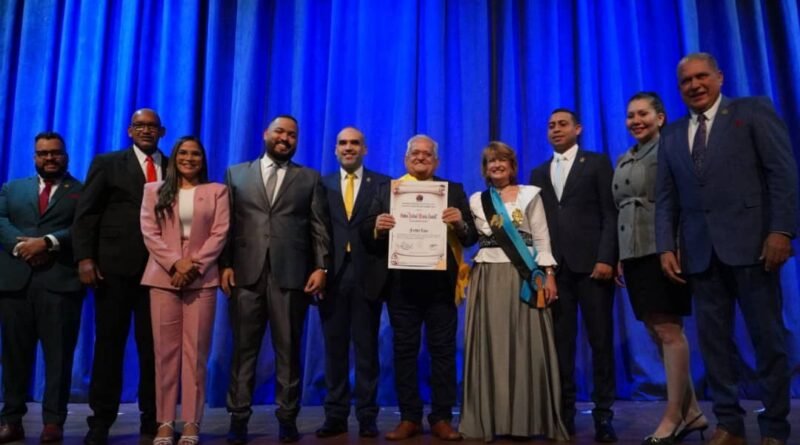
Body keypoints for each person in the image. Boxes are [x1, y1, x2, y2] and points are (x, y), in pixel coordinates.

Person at [656, 52, 797, 445]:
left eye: (702, 77)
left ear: (719, 77)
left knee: (767, 341)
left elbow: (782, 174)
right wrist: (666, 245)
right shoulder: (671, 134)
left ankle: (774, 429)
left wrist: (781, 231)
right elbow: (666, 197)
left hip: (754, 247)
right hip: (699, 254)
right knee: (714, 346)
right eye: (686, 81)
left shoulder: (753, 111)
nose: (695, 85)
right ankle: (729, 425)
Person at [220, 115, 330, 444]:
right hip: (245, 274)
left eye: (292, 134)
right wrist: (224, 264)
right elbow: (226, 226)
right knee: (243, 351)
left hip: (291, 276)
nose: (285, 138)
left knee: (289, 350)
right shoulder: (236, 173)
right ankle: (238, 418)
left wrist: (321, 267)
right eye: (280, 132)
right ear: (266, 133)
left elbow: (318, 227)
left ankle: (287, 418)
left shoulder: (309, 178)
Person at [363, 134, 477, 441]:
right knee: (404, 352)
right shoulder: (389, 190)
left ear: (437, 161)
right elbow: (366, 230)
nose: (421, 158)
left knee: (442, 353)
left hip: (441, 287)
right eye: (415, 153)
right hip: (401, 287)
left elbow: (470, 237)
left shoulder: (452, 191)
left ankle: (441, 417)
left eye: (427, 154)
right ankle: (409, 417)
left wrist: (459, 224)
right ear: (405, 159)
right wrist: (378, 226)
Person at [612, 92, 706, 444]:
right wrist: (622, 255)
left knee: (669, 330)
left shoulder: (671, 150)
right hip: (634, 253)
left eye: (643, 114)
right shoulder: (626, 156)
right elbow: (623, 210)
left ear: (661, 118)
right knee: (655, 331)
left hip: (663, 250)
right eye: (630, 115)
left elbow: (685, 202)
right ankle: (692, 412)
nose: (636, 120)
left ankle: (673, 416)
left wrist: (676, 246)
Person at [459, 141, 568, 442]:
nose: (496, 165)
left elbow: (542, 238)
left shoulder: (531, 195)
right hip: (488, 276)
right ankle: (491, 418)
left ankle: (526, 418)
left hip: (525, 278)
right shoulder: (477, 200)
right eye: (491, 161)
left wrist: (548, 275)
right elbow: (469, 237)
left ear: (512, 165)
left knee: (525, 345)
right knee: (491, 347)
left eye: (502, 160)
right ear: (485, 168)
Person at [73, 109, 167, 445]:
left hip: (160, 275)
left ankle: (153, 417)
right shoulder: (108, 163)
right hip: (113, 272)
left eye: (152, 126)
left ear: (162, 131)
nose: (146, 130)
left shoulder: (174, 166)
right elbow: (87, 213)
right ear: (129, 131)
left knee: (154, 350)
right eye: (139, 125)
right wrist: (85, 257)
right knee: (109, 347)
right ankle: (100, 420)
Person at [530, 109, 618, 442]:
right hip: (557, 271)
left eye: (562, 124)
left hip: (594, 268)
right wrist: (544, 267)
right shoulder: (538, 172)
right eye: (550, 125)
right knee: (560, 347)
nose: (555, 129)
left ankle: (603, 416)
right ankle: (563, 414)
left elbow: (610, 214)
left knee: (600, 343)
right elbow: (537, 226)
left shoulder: (596, 163)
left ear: (578, 129)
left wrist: (606, 257)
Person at [139, 136, 230, 445]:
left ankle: (191, 422)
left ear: (203, 160)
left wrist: (193, 265)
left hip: (201, 280)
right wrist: (176, 264)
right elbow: (150, 233)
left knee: (195, 355)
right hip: (163, 279)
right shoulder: (153, 190)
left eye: (195, 154)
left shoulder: (217, 191)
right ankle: (164, 422)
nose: (189, 158)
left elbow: (220, 234)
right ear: (174, 157)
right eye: (183, 153)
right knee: (164, 355)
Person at [0, 132, 84, 444]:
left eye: (55, 153)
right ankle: (11, 420)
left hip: (60, 283)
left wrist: (47, 243)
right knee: (13, 357)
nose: (49, 158)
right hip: (15, 283)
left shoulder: (82, 190)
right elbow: (0, 220)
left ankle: (53, 422)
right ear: (34, 156)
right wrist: (24, 248)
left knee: (58, 358)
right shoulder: (13, 187)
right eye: (42, 153)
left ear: (66, 155)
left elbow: (84, 227)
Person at [316, 127, 390, 438]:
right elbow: (315, 231)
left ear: (365, 149)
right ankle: (335, 415)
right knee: (333, 350)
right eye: (343, 143)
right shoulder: (322, 184)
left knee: (366, 349)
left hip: (368, 276)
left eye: (355, 143)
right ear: (335, 150)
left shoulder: (383, 184)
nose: (349, 148)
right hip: (332, 277)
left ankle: (367, 415)